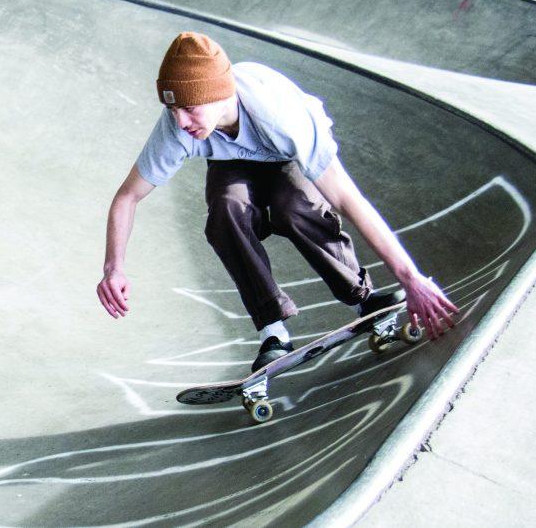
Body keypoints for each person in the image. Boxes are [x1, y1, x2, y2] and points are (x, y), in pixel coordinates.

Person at [96, 32, 458, 372]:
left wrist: (411, 279)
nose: (181, 121)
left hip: (285, 155)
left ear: (220, 94)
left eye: (190, 110)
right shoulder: (177, 128)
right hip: (230, 162)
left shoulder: (280, 115)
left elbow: (348, 198)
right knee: (226, 210)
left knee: (294, 207)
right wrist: (114, 267)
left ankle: (362, 297)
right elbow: (127, 197)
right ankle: (272, 329)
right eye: (173, 111)